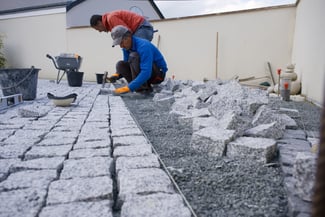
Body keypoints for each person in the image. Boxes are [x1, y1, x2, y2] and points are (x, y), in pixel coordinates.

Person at [107, 25, 167, 95]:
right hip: (146, 72)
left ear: (128, 37)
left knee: (134, 56)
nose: (121, 46)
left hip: (158, 75)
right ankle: (137, 87)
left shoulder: (144, 46)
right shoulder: (126, 48)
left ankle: (143, 90)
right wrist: (117, 75)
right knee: (120, 64)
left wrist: (128, 88)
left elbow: (146, 72)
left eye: (121, 42)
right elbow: (127, 65)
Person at [90, 10, 154, 41]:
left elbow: (126, 32)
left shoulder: (111, 18)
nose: (100, 31)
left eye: (98, 29)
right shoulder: (109, 23)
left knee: (139, 51)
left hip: (142, 28)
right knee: (134, 53)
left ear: (99, 23)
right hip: (140, 29)